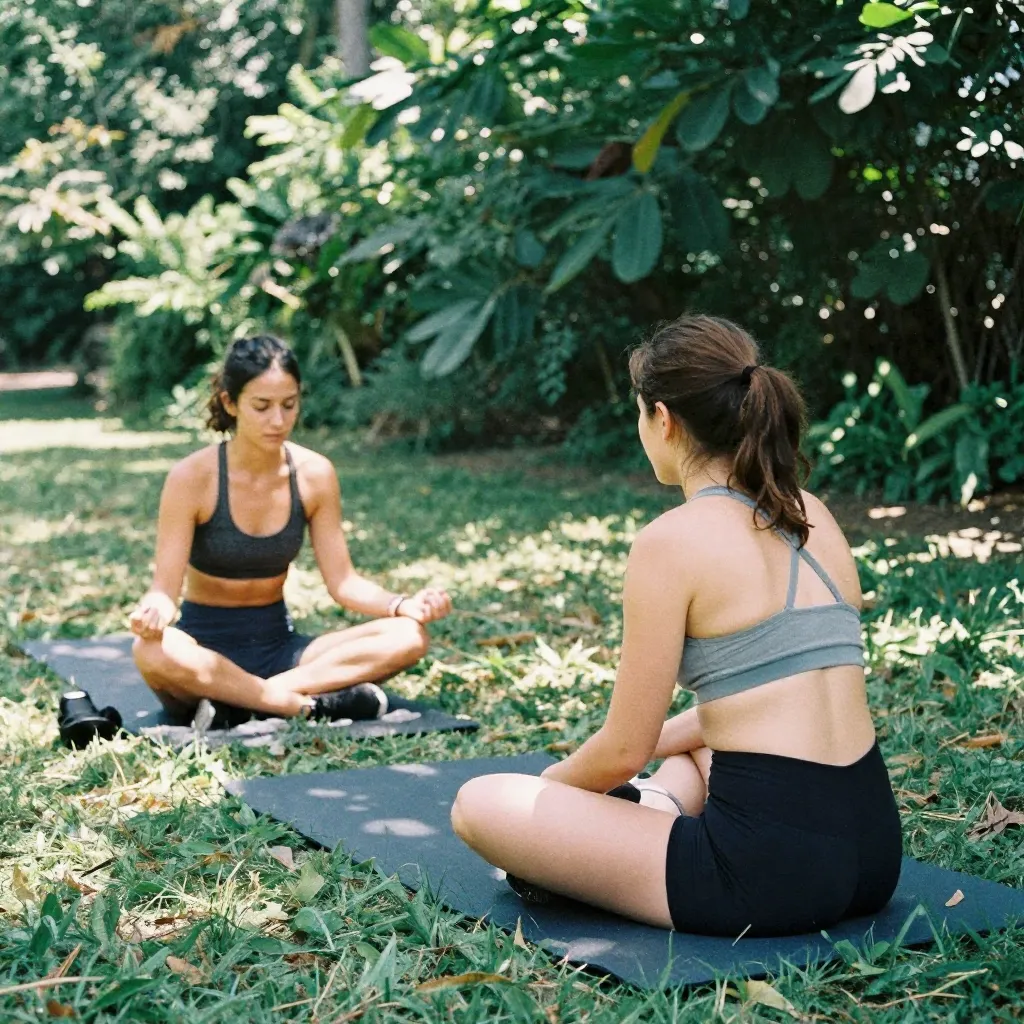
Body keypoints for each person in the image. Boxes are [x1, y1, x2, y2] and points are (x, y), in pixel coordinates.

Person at [451, 315, 901, 937]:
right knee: (698, 743)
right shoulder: (812, 514)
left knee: (479, 804)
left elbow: (622, 750)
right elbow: (777, 699)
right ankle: (657, 805)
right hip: (874, 852)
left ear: (662, 419)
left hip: (766, 878)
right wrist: (669, 743)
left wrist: (549, 794)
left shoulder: (670, 542)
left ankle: (633, 819)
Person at [130, 334, 452, 724]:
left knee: (409, 636)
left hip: (281, 650)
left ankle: (246, 701)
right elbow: (165, 591)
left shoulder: (315, 474)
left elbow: (344, 583)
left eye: (289, 404)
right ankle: (302, 705)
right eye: (262, 407)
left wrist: (403, 605)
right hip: (204, 648)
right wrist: (154, 611)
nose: (278, 420)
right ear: (230, 403)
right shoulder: (192, 477)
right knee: (149, 651)